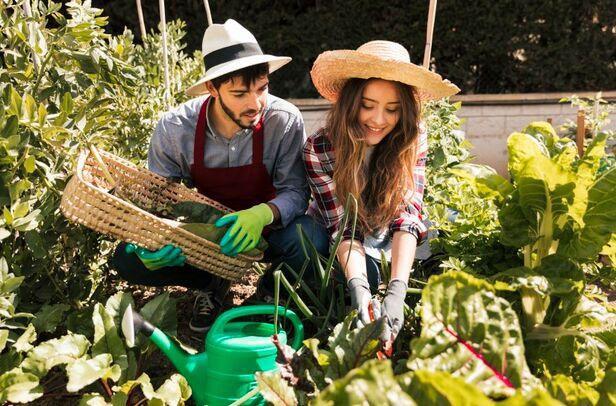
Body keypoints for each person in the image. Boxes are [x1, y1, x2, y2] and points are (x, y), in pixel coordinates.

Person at [112, 19, 328, 333]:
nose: (255, 104)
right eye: (240, 93)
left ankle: (268, 291)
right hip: (209, 238)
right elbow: (157, 199)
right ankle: (208, 283)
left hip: (267, 231)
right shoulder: (175, 129)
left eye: (262, 89)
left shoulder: (283, 120)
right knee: (127, 259)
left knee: (311, 237)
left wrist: (261, 215)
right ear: (213, 89)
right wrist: (153, 244)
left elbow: (295, 191)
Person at [303, 40, 459, 342]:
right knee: (366, 276)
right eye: (367, 105)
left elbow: (407, 214)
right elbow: (344, 226)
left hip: (388, 230)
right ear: (351, 102)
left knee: (447, 226)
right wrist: (359, 287)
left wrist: (398, 288)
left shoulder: (413, 138)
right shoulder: (320, 148)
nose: (378, 120)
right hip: (343, 241)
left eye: (392, 110)